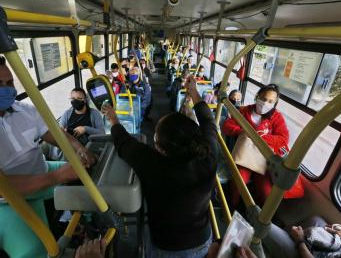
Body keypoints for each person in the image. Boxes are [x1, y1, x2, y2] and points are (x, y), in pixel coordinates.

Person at [0, 51, 96, 258]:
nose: (6, 90)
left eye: (9, 82)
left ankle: (88, 226)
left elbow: (57, 134)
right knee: (33, 252)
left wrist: (79, 149)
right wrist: (57, 176)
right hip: (2, 201)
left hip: (42, 171)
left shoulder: (24, 110)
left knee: (95, 177)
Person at [101, 75, 218, 258]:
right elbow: (208, 121)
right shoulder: (208, 152)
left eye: (155, 140)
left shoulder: (152, 164)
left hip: (167, 245)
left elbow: (123, 143)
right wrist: (193, 91)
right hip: (202, 239)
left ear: (162, 150)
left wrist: (114, 120)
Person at [222, 84, 297, 206]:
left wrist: (262, 137)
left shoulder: (276, 117)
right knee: (239, 183)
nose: (265, 103)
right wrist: (242, 130)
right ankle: (233, 206)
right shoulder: (244, 111)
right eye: (263, 98)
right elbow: (226, 126)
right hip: (245, 156)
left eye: (270, 101)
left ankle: (258, 214)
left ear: (274, 104)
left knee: (266, 192)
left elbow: (283, 139)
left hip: (265, 160)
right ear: (257, 97)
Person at [48, 88, 105, 160]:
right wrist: (65, 132)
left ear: (85, 100)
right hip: (69, 145)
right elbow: (59, 130)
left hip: (87, 147)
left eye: (79, 98)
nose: (75, 101)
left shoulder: (94, 114)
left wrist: (85, 129)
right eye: (73, 98)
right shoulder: (67, 114)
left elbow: (102, 133)